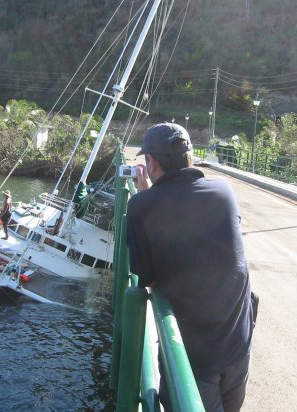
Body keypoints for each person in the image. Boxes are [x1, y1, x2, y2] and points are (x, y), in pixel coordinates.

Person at [126, 122, 254, 412]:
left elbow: (147, 278)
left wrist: (144, 195)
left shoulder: (140, 206)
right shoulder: (224, 191)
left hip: (195, 357)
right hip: (238, 344)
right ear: (190, 157)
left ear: (151, 162)